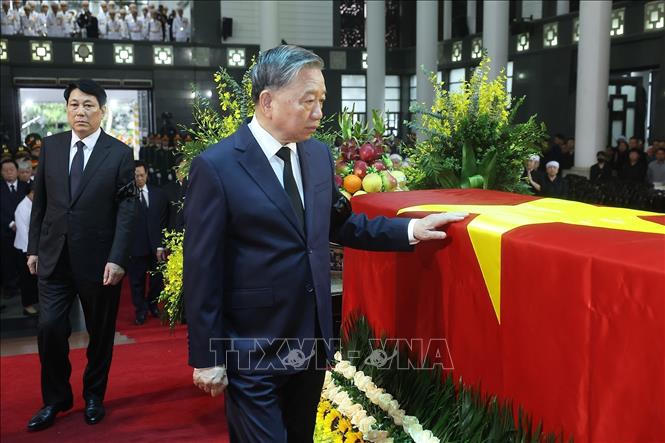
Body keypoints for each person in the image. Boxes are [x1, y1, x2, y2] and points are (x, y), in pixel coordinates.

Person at [183, 45, 467, 441]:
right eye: (308, 101)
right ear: (267, 102)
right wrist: (206, 356)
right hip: (250, 348)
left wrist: (410, 230)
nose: (318, 112)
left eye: (321, 100)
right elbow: (202, 267)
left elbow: (340, 223)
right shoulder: (218, 166)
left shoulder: (316, 155)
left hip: (309, 343)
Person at [26, 79, 136, 431]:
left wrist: (118, 257)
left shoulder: (119, 153)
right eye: (74, 104)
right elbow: (41, 201)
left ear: (102, 111)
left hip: (99, 262)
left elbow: (127, 210)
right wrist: (33, 248)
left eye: (88, 105)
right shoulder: (52, 146)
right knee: (49, 328)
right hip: (54, 256)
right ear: (66, 109)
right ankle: (55, 399)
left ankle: (93, 395)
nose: (80, 111)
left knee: (99, 334)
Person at [128, 160, 168, 325]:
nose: (139, 178)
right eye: (136, 176)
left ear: (147, 175)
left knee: (157, 279)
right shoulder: (126, 196)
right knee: (136, 282)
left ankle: (152, 304)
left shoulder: (158, 194)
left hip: (156, 246)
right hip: (136, 247)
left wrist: (161, 245)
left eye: (142, 175)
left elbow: (163, 220)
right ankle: (141, 310)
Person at [1, 158, 28, 299]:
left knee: (24, 261)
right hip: (6, 232)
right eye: (5, 170)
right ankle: (10, 288)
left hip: (25, 231)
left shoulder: (26, 186)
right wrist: (11, 223)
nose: (9, 173)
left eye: (11, 169)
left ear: (17, 171)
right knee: (8, 261)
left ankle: (26, 287)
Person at [14, 182, 39, 315]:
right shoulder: (22, 208)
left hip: (34, 247)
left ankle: (36, 301)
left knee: (34, 278)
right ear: (31, 193)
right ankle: (27, 305)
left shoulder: (33, 204)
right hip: (24, 249)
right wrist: (31, 252)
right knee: (26, 279)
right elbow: (24, 233)